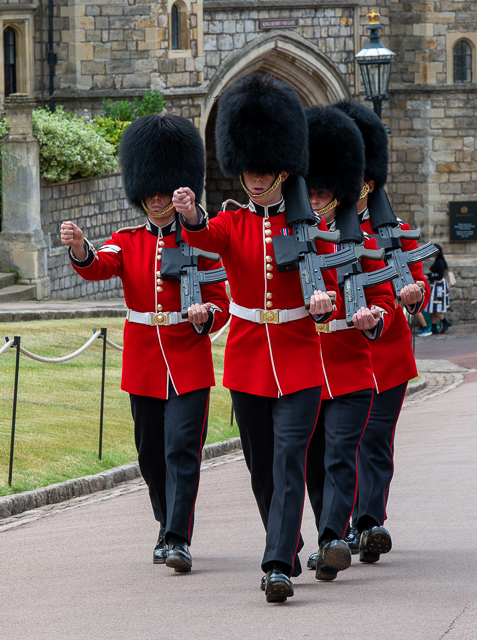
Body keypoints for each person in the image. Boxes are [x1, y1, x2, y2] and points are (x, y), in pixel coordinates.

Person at [175, 73, 352, 603]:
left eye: (262, 171)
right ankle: (289, 538)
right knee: (260, 470)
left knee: (288, 459)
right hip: (249, 359)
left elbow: (336, 287)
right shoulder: (232, 224)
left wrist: (323, 305)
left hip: (299, 358)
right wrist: (188, 214)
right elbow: (205, 236)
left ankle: (277, 564)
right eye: (248, 171)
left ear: (283, 169)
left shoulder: (311, 229)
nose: (253, 180)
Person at [61, 114, 229, 573]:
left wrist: (206, 317)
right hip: (144, 363)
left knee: (181, 449)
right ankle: (164, 523)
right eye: (150, 193)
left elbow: (221, 302)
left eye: (164, 191)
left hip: (189, 360)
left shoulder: (203, 244)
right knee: (151, 454)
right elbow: (99, 264)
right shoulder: (128, 240)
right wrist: (79, 247)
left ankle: (178, 537)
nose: (156, 199)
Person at [332, 98, 430, 565]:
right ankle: (340, 523)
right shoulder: (322, 233)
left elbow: (417, 280)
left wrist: (414, 296)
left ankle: (369, 522)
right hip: (338, 354)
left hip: (387, 353)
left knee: (375, 441)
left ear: (367, 182)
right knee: (340, 443)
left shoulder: (396, 232)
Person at [301, 104, 397, 580]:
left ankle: (333, 538)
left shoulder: (357, 240)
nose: (316, 201)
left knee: (343, 454)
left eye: (323, 193)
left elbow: (384, 294)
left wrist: (372, 313)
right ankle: (328, 531)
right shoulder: (287, 237)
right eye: (311, 192)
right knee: (313, 464)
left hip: (347, 364)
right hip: (299, 369)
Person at [419, 245, 452, 334]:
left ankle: (445, 321)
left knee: (434, 307)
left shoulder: (440, 261)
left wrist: (429, 277)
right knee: (430, 307)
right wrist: (428, 275)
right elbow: (435, 273)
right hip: (435, 285)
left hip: (438, 286)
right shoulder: (437, 260)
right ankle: (434, 327)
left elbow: (439, 275)